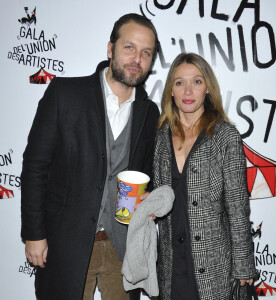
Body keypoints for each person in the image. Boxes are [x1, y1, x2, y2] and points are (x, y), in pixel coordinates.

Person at [21, 13, 160, 300]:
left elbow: (148, 173)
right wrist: (34, 234)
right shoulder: (65, 93)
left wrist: (151, 197)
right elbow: (35, 167)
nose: (137, 58)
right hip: (66, 244)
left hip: (121, 247)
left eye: (146, 52)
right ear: (110, 49)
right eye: (129, 47)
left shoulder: (150, 112)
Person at [153, 53, 257, 300]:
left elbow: (237, 206)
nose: (188, 90)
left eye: (197, 82)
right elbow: (159, 198)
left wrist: (243, 264)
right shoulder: (160, 138)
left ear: (207, 88)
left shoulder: (224, 136)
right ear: (171, 91)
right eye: (179, 83)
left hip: (213, 266)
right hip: (170, 264)